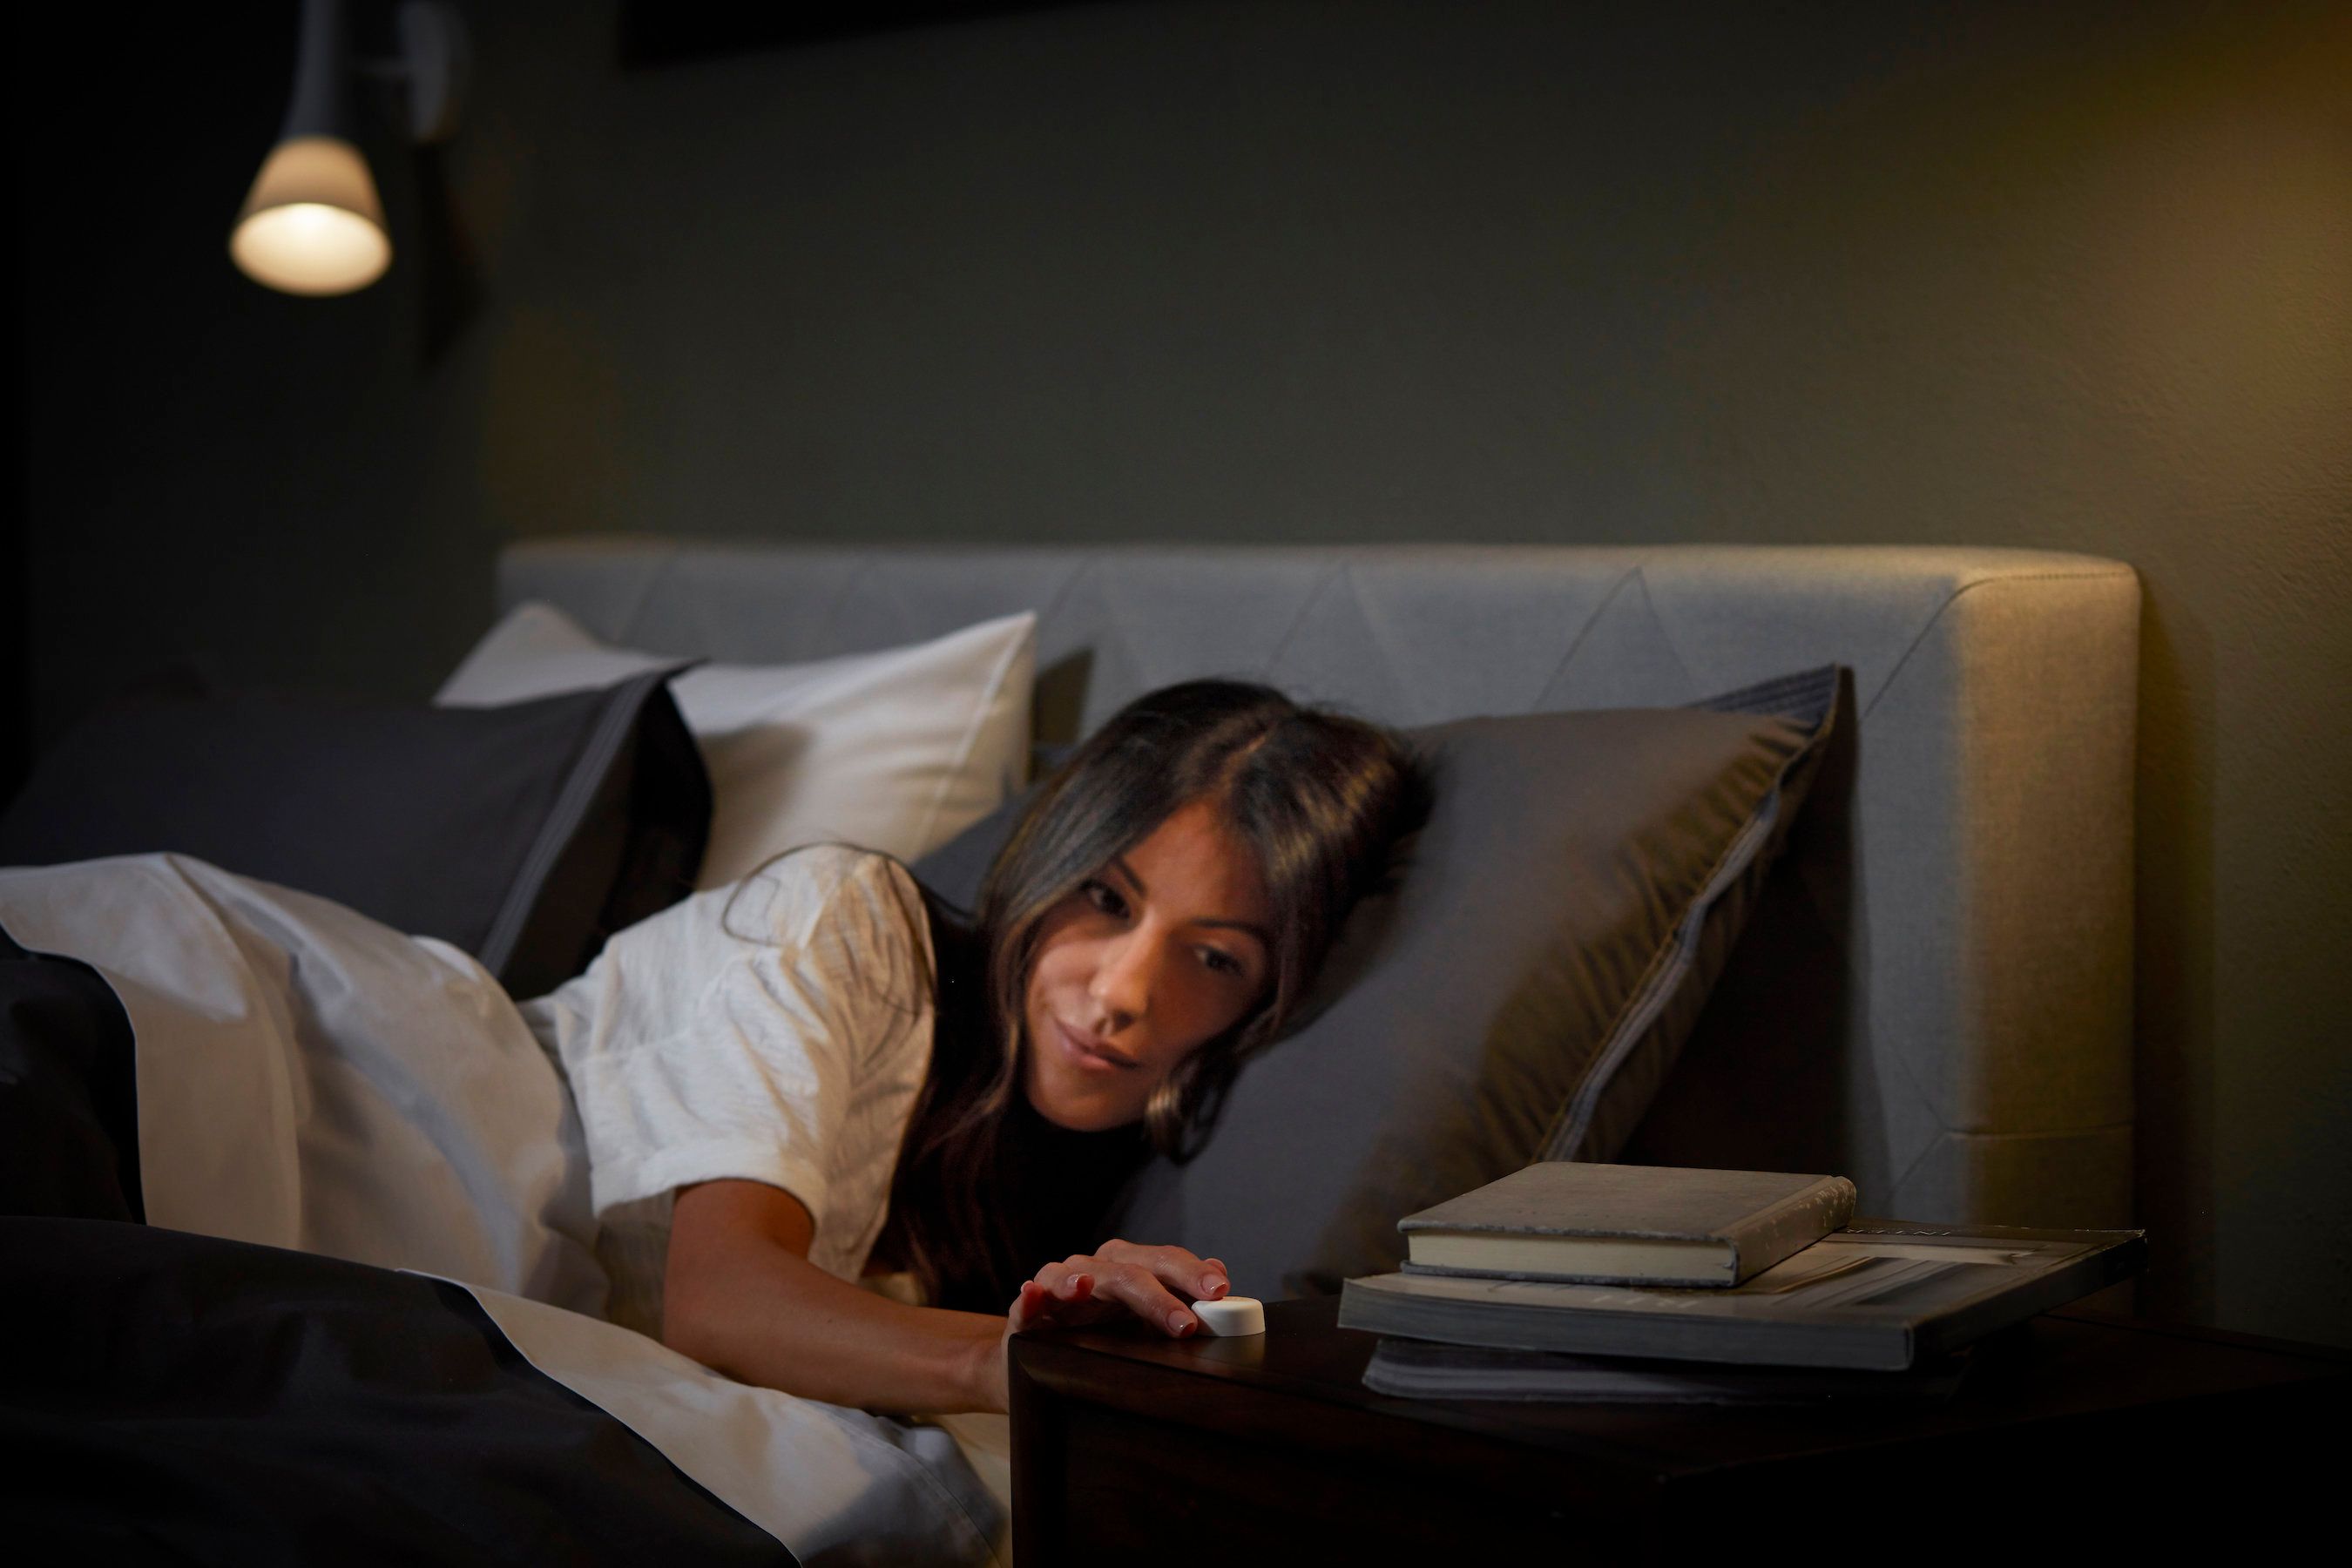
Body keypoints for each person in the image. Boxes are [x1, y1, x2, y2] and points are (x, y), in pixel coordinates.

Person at [524, 678, 1424, 1416]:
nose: (1119, 994)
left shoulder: (1084, 1207)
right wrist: (997, 1364)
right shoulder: (844, 922)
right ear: (1049, 856)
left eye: (1215, 958)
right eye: (1106, 899)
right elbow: (720, 1297)